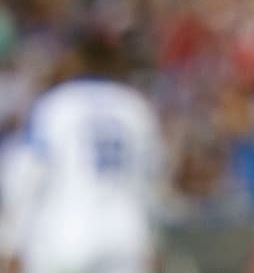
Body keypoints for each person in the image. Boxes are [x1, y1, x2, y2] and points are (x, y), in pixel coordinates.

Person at [0, 31, 167, 273]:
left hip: (64, 234)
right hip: (126, 237)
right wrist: (153, 242)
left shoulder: (57, 104)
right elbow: (152, 182)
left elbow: (25, 176)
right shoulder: (135, 107)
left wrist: (11, 243)